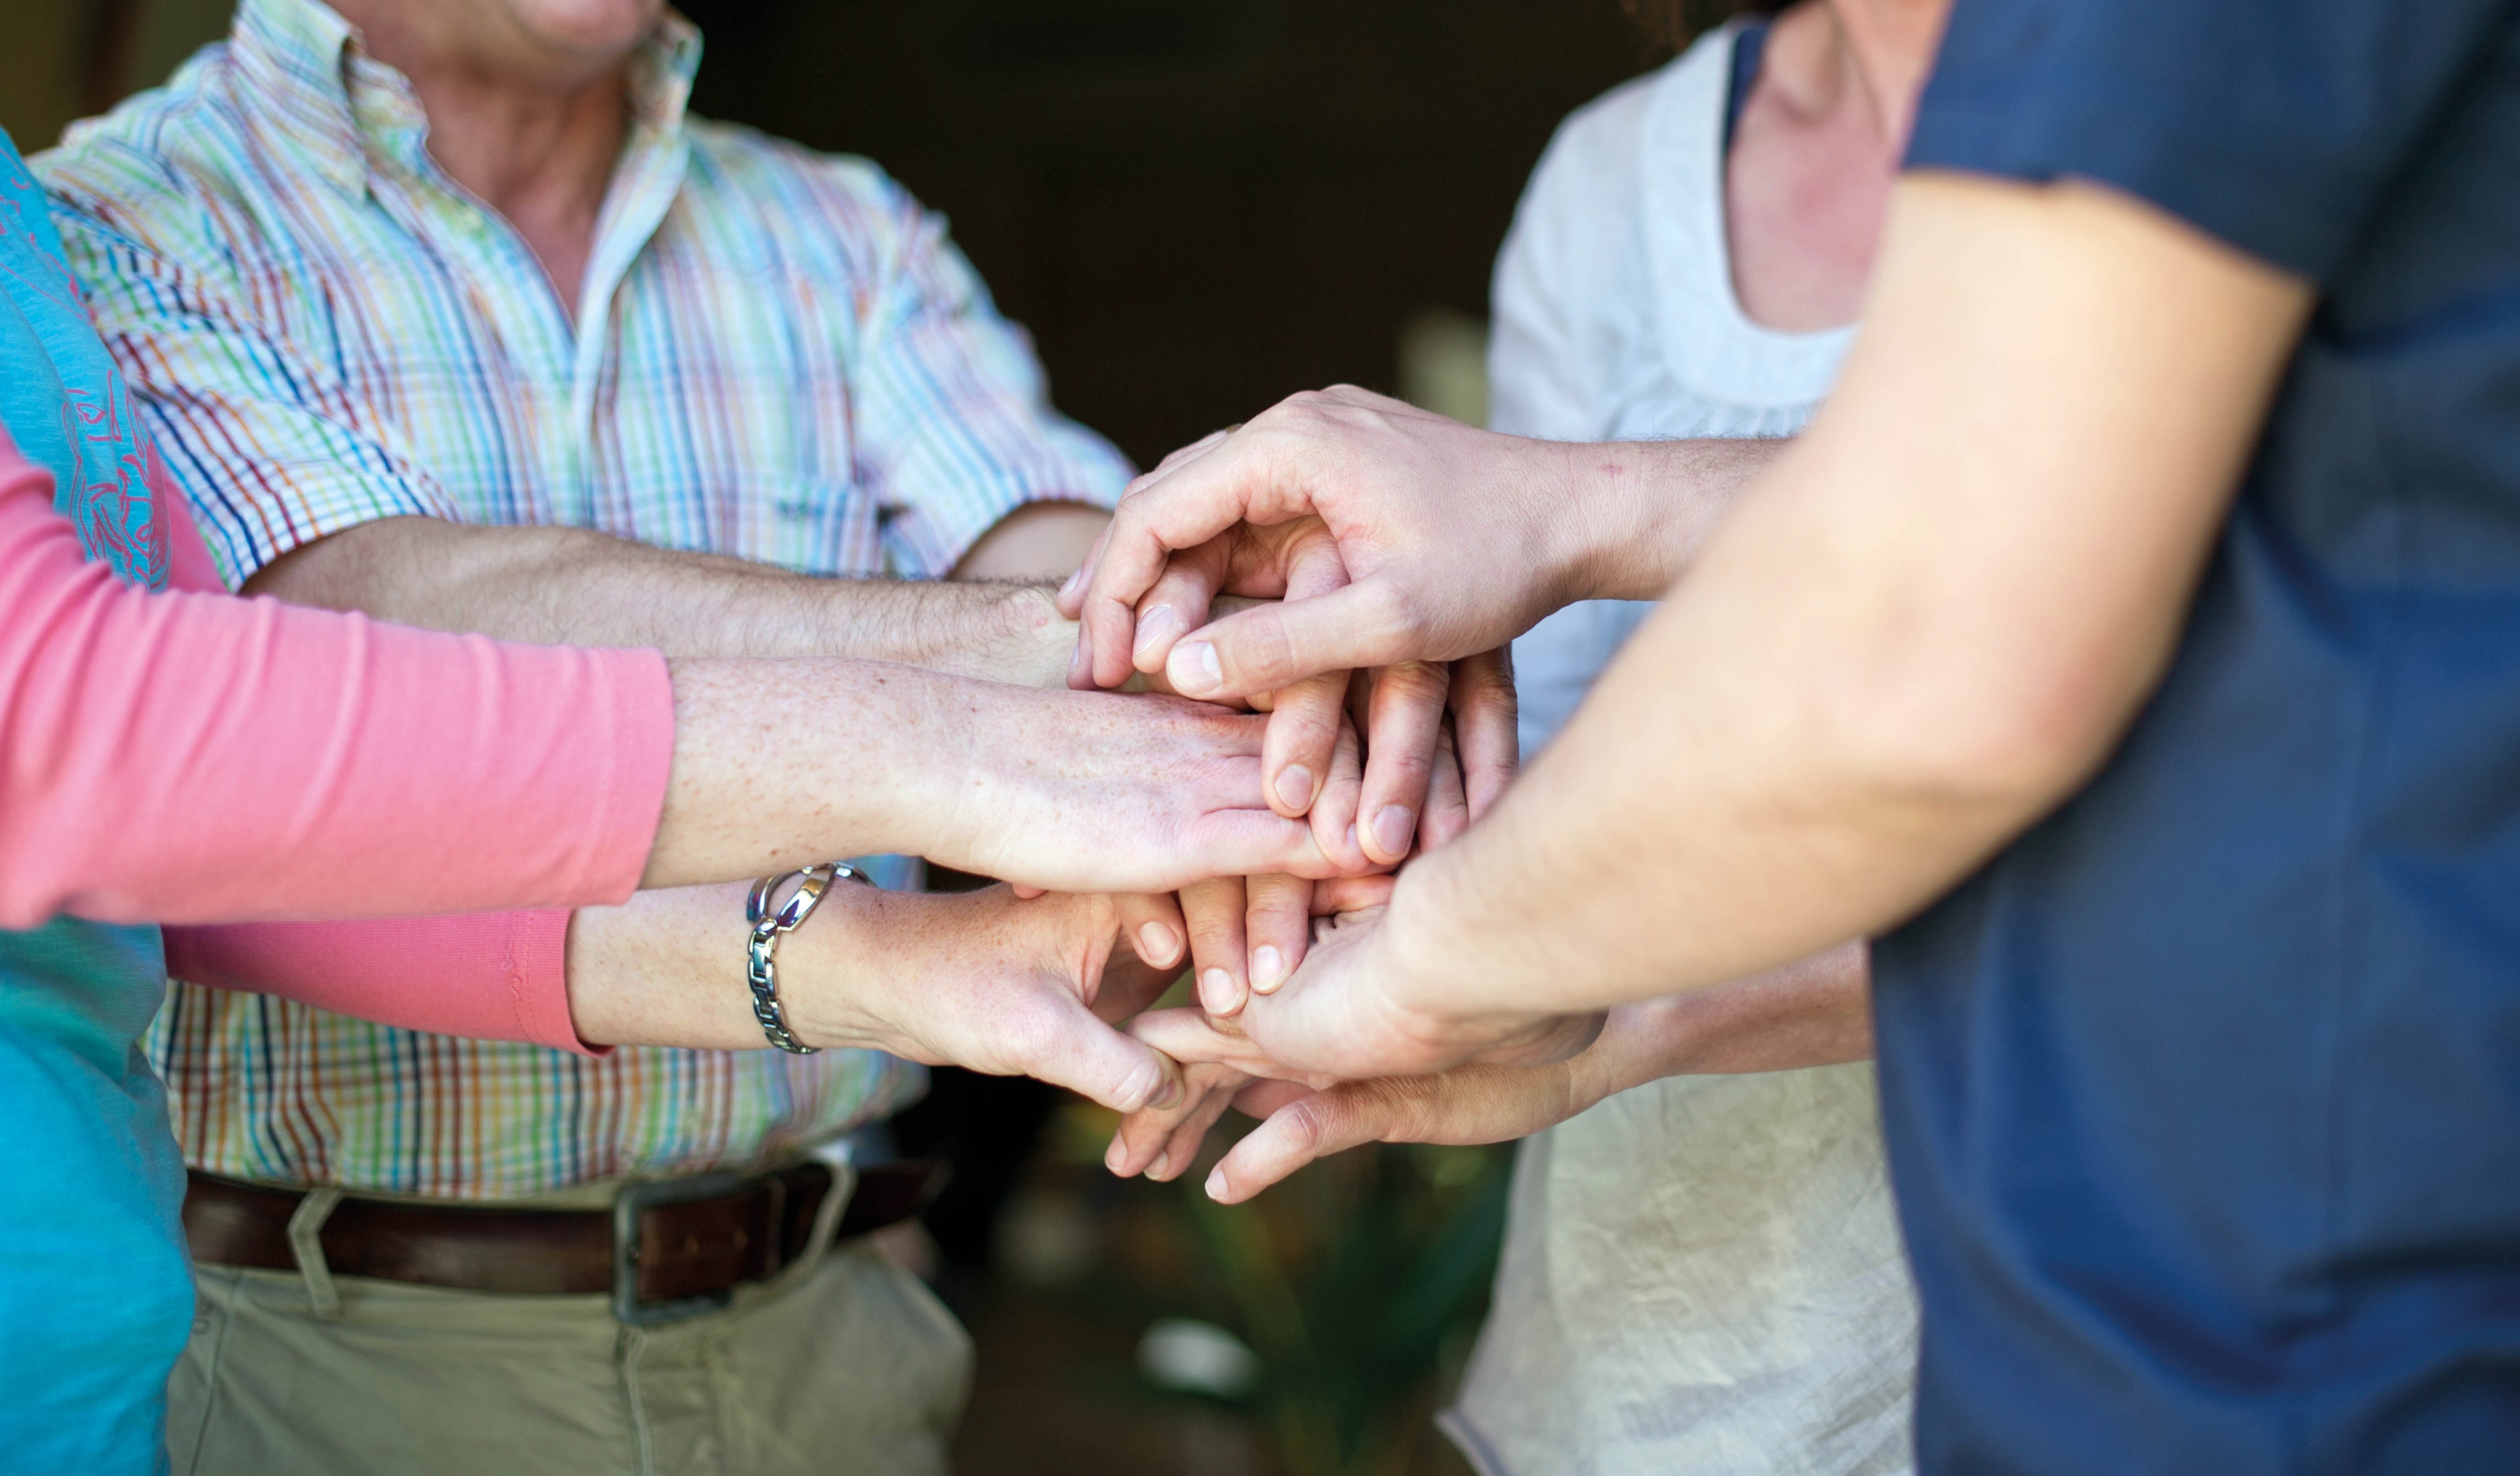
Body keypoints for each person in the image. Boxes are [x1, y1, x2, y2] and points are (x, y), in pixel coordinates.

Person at [39, 1, 1488, 1468]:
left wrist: (1247, 670)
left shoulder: (842, 234)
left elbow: (1058, 548)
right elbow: (369, 622)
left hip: (822, 1332)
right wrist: (1156, 664)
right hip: (327, 1361)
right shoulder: (104, 226)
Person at [1072, 0, 2520, 1466]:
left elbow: (1958, 646)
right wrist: (1327, 806)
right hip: (2007, 1350)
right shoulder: (1631, 179)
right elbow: (1990, 528)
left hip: (2308, 1314)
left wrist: (1443, 963)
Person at [1115, 6, 1932, 1473]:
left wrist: (1566, 505)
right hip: (1655, 1360)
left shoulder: (2231, 109)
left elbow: (2200, 757)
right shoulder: (1615, 179)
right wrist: (1333, 825)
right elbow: (1528, 764)